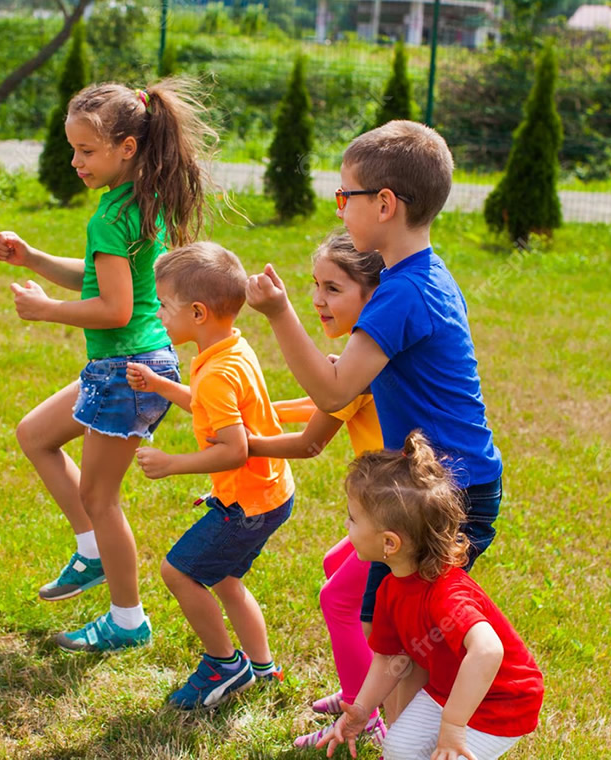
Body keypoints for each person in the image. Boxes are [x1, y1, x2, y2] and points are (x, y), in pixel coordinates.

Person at [246, 121, 504, 716]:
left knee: (393, 635)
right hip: (441, 483)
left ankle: (406, 733)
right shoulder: (417, 277)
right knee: (395, 633)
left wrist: (281, 313)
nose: (340, 209)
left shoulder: (403, 291)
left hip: (446, 492)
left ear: (384, 204)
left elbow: (335, 391)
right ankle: (395, 723)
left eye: (346, 196)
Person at [0, 79, 214, 652]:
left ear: (127, 148)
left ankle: (127, 619)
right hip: (129, 364)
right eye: (73, 150)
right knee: (35, 435)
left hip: (128, 369)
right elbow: (103, 278)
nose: (75, 162)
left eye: (86, 152)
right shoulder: (139, 201)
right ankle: (91, 554)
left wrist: (46, 312)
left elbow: (113, 307)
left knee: (100, 498)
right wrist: (36, 259)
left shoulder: (115, 213)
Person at [127, 242, 294, 709]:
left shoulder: (217, 372)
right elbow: (212, 409)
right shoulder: (230, 349)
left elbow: (233, 449)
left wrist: (173, 463)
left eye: (163, 304)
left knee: (178, 571)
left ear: (197, 312)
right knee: (223, 577)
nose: (158, 312)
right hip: (268, 493)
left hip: (247, 503)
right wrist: (162, 384)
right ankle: (263, 668)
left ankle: (225, 664)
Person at [319, 431, 542, 760]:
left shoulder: (446, 593)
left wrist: (452, 726)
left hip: (502, 701)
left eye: (352, 519)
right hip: (447, 688)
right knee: (397, 749)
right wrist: (362, 709)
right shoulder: (392, 587)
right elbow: (391, 659)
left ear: (390, 543)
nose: (346, 525)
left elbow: (488, 650)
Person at [246, 231, 387, 747]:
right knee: (335, 567)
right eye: (314, 286)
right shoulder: (362, 349)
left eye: (332, 289)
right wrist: (248, 413)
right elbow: (318, 407)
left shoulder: (365, 359)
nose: (317, 301)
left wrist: (243, 446)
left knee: (338, 600)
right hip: (388, 503)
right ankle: (364, 684)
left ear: (372, 296)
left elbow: (310, 442)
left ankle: (364, 713)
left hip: (400, 513)